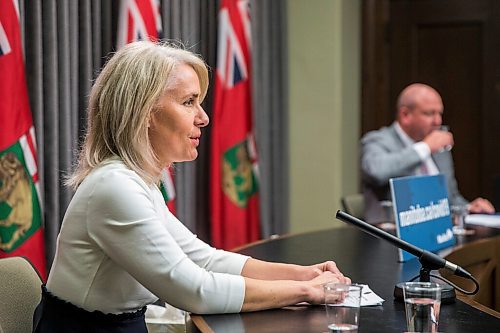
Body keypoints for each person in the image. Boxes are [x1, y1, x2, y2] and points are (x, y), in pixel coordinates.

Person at [32, 41, 350, 332]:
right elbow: (194, 290)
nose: (204, 118)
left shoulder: (133, 181)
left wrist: (302, 274)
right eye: (188, 102)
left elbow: (204, 259)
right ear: (144, 113)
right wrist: (307, 291)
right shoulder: (114, 187)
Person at [361, 83, 495, 224]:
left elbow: (451, 197)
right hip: (392, 235)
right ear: (405, 115)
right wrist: (425, 147)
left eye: (440, 114)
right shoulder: (377, 140)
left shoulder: (438, 148)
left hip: (438, 233)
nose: (438, 121)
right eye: (429, 113)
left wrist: (468, 208)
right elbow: (376, 171)